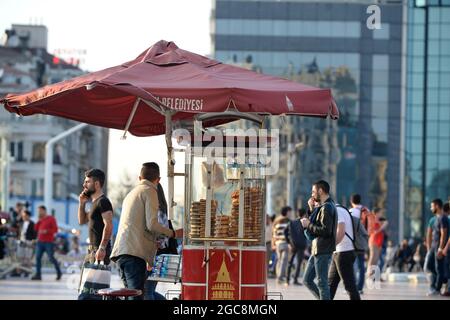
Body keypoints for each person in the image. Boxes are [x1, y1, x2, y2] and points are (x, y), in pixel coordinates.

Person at [111, 162, 180, 300]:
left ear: (139, 177)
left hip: (122, 253)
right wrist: (173, 233)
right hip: (134, 255)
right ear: (158, 179)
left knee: (136, 295)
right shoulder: (150, 191)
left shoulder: (132, 193)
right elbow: (152, 225)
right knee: (138, 296)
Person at [301, 180, 337, 300]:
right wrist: (311, 209)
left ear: (320, 191)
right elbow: (317, 224)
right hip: (317, 249)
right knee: (307, 280)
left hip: (323, 249)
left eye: (313, 191)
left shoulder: (327, 207)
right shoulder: (324, 206)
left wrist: (308, 225)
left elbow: (325, 230)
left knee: (322, 283)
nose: (312, 195)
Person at [144, 182, 178, 300]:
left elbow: (162, 241)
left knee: (146, 292)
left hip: (152, 257)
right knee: (148, 291)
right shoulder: (161, 212)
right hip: (156, 258)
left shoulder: (157, 213)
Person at [78, 169, 113, 265]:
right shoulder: (94, 203)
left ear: (96, 184)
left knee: (96, 280)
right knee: (88, 280)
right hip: (92, 250)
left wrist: (102, 248)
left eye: (87, 182)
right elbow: (81, 221)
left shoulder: (103, 202)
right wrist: (81, 204)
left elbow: (109, 225)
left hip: (100, 250)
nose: (84, 185)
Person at [328, 204, 360, 300]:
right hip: (339, 252)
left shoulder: (337, 210)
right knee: (330, 285)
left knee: (349, 286)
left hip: (343, 252)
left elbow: (341, 231)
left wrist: (330, 247)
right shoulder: (339, 209)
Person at [31, 205, 62, 280]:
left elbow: (55, 229)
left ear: (44, 211)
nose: (39, 212)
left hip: (48, 242)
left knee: (51, 258)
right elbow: (35, 228)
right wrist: (39, 220)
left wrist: (47, 231)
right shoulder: (41, 220)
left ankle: (59, 272)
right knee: (38, 258)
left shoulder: (51, 218)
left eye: (40, 211)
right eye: (38, 211)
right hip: (40, 242)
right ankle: (38, 275)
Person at [427, 199, 449, 296]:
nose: (431, 208)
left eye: (432, 206)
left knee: (438, 268)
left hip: (438, 248)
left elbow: (444, 233)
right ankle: (443, 278)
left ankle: (437, 289)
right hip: (433, 246)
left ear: (436, 206)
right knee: (429, 266)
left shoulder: (443, 218)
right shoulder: (437, 218)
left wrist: (441, 248)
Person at [349, 194, 370, 294]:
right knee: (361, 265)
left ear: (351, 201)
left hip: (352, 241)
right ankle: (360, 287)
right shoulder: (366, 211)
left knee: (352, 264)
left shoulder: (351, 211)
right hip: (363, 241)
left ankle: (353, 287)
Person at [285, 208, 307, 285]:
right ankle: (295, 279)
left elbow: (285, 232)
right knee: (299, 263)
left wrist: (288, 242)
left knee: (290, 262)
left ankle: (287, 280)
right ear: (304, 214)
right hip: (301, 245)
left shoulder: (291, 222)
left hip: (293, 245)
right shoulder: (305, 222)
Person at [272, 206, 291, 284]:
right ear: (286, 212)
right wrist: (290, 243)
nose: (290, 214)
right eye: (289, 212)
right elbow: (289, 233)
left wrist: (274, 243)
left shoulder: (276, 221)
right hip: (285, 242)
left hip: (277, 243)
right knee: (284, 260)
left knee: (279, 260)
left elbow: (273, 233)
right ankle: (280, 277)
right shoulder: (287, 221)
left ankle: (278, 276)